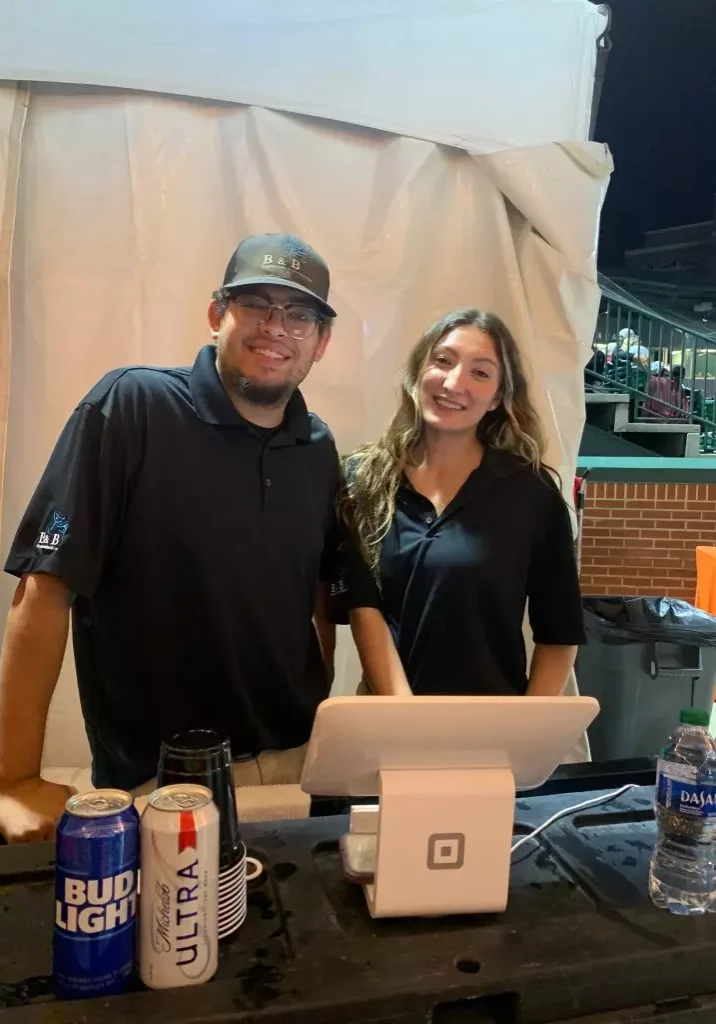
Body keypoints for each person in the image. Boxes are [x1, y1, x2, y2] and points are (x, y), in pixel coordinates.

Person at [0, 232, 398, 843]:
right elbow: (45, 585)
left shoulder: (315, 446)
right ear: (218, 314)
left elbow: (323, 593)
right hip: (158, 779)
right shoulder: (131, 406)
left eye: (299, 315)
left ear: (321, 342)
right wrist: (12, 777)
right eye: (257, 304)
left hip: (297, 762)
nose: (276, 327)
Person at [333, 308, 585, 698]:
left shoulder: (532, 493)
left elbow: (559, 632)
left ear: (499, 397)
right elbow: (365, 612)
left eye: (480, 372)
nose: (454, 382)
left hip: (493, 727)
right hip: (388, 719)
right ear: (419, 370)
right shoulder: (364, 478)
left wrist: (529, 735)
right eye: (443, 361)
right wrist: (406, 720)